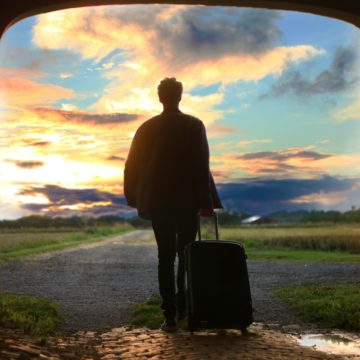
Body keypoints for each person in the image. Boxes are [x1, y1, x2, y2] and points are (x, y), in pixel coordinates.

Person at [124, 77, 222, 332]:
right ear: (180, 96)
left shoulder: (146, 128)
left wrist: (134, 197)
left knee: (165, 257)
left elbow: (131, 165)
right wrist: (206, 201)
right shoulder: (193, 125)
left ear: (160, 98)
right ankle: (184, 308)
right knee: (186, 255)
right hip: (187, 201)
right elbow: (202, 166)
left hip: (158, 202)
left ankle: (169, 317)